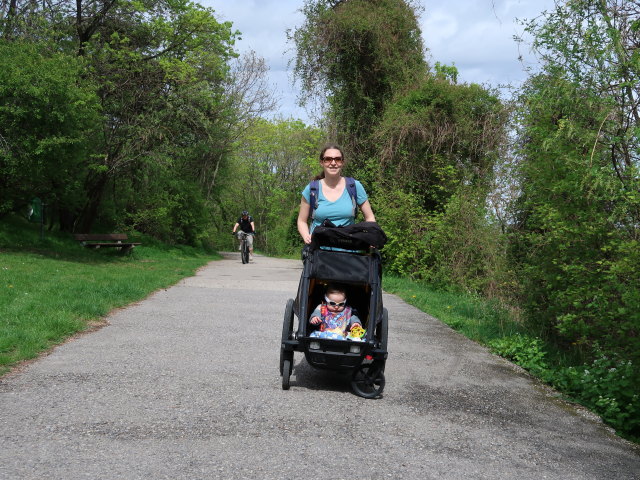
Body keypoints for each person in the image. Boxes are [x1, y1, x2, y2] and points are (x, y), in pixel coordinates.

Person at [297, 144, 376, 245]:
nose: (333, 163)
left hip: (348, 251)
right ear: (322, 162)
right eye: (328, 159)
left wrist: (371, 237)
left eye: (338, 159)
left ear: (342, 162)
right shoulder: (312, 189)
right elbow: (302, 221)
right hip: (318, 252)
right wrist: (306, 236)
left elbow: (369, 217)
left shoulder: (354, 186)